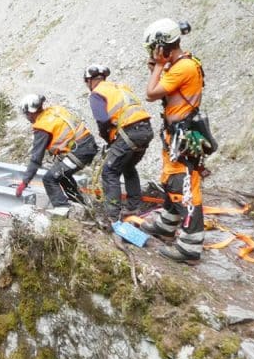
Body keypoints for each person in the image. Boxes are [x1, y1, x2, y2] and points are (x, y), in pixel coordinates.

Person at [140, 18, 205, 263]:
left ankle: (190, 245)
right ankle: (167, 225)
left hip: (183, 134)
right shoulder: (179, 63)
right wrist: (157, 67)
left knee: (183, 186)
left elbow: (151, 93)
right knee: (170, 180)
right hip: (175, 132)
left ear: (163, 46)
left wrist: (158, 66)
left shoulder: (183, 67)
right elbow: (167, 90)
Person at [84, 64, 154, 225]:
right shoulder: (120, 87)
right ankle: (134, 206)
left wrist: (106, 137)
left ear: (89, 80)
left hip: (130, 132)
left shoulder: (96, 94)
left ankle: (112, 217)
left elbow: (102, 119)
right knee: (128, 166)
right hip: (145, 130)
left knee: (109, 172)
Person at [16, 94, 98, 214]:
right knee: (62, 175)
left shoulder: (42, 126)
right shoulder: (54, 110)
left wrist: (24, 182)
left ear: (31, 112)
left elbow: (36, 159)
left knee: (49, 179)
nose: (28, 118)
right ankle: (79, 205)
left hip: (80, 151)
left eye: (27, 114)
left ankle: (62, 210)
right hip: (87, 144)